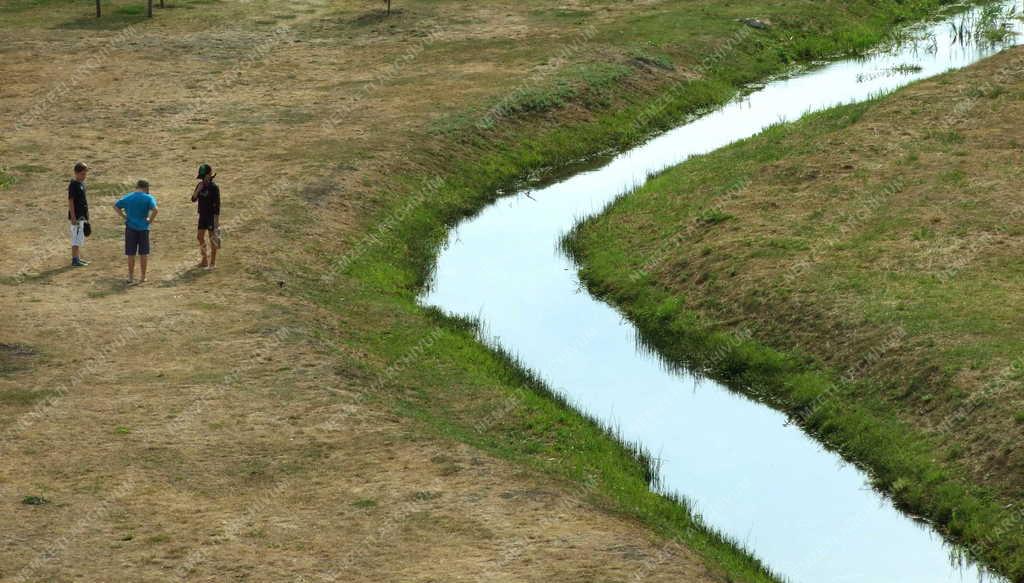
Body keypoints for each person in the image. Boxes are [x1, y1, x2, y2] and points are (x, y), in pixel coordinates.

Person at [114, 179, 159, 284]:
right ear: (146, 188)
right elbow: (156, 210)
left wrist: (125, 217)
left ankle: (130, 276)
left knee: (131, 253)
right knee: (143, 253)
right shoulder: (148, 198)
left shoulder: (129, 197)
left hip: (130, 228)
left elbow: (116, 206)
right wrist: (149, 220)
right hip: (143, 229)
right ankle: (143, 276)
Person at [190, 163, 220, 269]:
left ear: (209, 175)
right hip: (202, 216)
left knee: (213, 238)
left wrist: (216, 222)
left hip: (211, 216)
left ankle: (212, 263)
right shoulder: (200, 185)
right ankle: (204, 260)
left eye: (204, 177)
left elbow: (217, 205)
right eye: (201, 177)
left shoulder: (214, 187)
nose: (203, 179)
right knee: (200, 237)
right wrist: (198, 190)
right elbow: (193, 199)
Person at [68, 162, 90, 267]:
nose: (84, 176)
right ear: (76, 173)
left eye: (85, 174)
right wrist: (73, 216)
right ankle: (75, 260)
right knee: (75, 238)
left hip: (82, 216)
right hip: (76, 216)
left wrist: (87, 217)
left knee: (79, 237)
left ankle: (78, 258)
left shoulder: (81, 184)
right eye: (82, 174)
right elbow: (71, 201)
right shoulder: (73, 185)